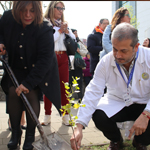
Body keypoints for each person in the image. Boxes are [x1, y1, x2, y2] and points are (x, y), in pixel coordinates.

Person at [70, 23, 150, 150]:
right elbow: (93, 91)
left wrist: (147, 114)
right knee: (98, 114)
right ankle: (116, 140)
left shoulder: (148, 57)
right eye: (114, 49)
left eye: (123, 51)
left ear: (136, 47)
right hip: (117, 101)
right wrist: (79, 126)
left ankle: (140, 141)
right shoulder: (106, 61)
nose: (117, 55)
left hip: (144, 103)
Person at [0, 1, 61, 150]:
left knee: (31, 94)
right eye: (23, 11)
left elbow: (45, 60)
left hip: (35, 69)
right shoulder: (7, 17)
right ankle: (15, 134)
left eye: (32, 11)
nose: (27, 15)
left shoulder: (45, 28)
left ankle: (30, 137)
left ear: (38, 10)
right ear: (16, 10)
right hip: (15, 66)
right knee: (14, 93)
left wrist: (28, 83)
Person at [41, 1, 75, 126]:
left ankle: (66, 117)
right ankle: (47, 116)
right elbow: (48, 41)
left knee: (64, 88)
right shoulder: (45, 23)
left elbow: (73, 39)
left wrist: (66, 31)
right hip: (51, 57)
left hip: (64, 57)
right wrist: (60, 31)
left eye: (63, 8)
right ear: (52, 8)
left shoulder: (63, 24)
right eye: (59, 8)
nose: (61, 10)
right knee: (49, 87)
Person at [69, 29, 88, 101]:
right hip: (69, 64)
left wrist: (79, 51)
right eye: (73, 33)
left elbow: (85, 52)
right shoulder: (67, 41)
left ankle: (80, 98)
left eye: (76, 33)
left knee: (79, 81)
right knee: (69, 81)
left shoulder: (79, 42)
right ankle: (68, 98)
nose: (75, 34)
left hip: (78, 65)